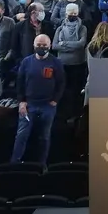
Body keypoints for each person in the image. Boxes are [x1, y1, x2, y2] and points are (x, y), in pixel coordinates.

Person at [12, 34, 65, 164]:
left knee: (44, 137)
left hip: (47, 105)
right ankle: (14, 163)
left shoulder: (56, 62)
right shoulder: (26, 61)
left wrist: (55, 100)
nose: (41, 47)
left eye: (44, 45)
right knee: (22, 135)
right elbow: (20, 83)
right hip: (29, 104)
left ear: (50, 46)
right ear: (34, 45)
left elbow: (61, 83)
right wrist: (21, 102)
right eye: (38, 45)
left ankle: (42, 165)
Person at [52, 4, 88, 119]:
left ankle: (74, 115)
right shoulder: (60, 28)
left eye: (74, 13)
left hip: (77, 64)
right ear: (66, 13)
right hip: (62, 64)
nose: (72, 15)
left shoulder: (83, 28)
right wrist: (71, 46)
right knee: (62, 90)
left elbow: (81, 44)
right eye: (70, 13)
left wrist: (64, 44)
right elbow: (54, 45)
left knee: (75, 92)